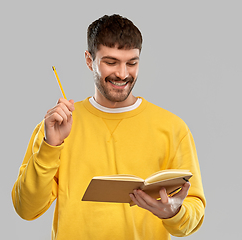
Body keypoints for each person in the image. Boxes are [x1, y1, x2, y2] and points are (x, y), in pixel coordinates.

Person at [12, 14, 206, 240]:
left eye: (132, 63)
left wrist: (175, 213)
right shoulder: (56, 127)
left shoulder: (172, 128)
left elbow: (193, 213)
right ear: (89, 60)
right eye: (111, 62)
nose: (123, 74)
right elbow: (26, 209)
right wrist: (50, 146)